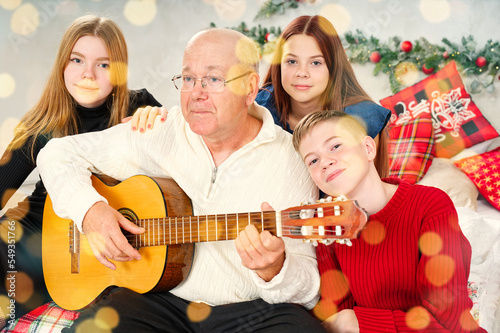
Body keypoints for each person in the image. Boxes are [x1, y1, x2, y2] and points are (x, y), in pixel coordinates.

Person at [37, 28, 325, 332]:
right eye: (188, 79)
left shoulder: (292, 160)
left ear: (250, 88)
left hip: (249, 313)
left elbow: (307, 289)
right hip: (162, 301)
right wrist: (89, 211)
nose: (196, 93)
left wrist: (275, 269)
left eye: (213, 79)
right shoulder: (161, 130)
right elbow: (57, 153)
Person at [0, 14, 162, 324]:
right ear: (62, 63)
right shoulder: (39, 125)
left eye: (103, 64)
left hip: (76, 257)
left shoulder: (140, 108)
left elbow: (174, 180)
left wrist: (157, 130)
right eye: (77, 60)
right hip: (25, 234)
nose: (87, 74)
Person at [292, 110, 486, 332]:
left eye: (335, 146)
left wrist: (360, 323)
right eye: (313, 160)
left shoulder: (430, 206)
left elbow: (449, 323)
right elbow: (339, 315)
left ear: (368, 148)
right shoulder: (327, 226)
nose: (325, 162)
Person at [256, 15, 391, 178]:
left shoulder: (360, 117)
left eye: (315, 63)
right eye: (292, 61)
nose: (302, 73)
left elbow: (360, 195)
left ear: (333, 68)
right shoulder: (260, 107)